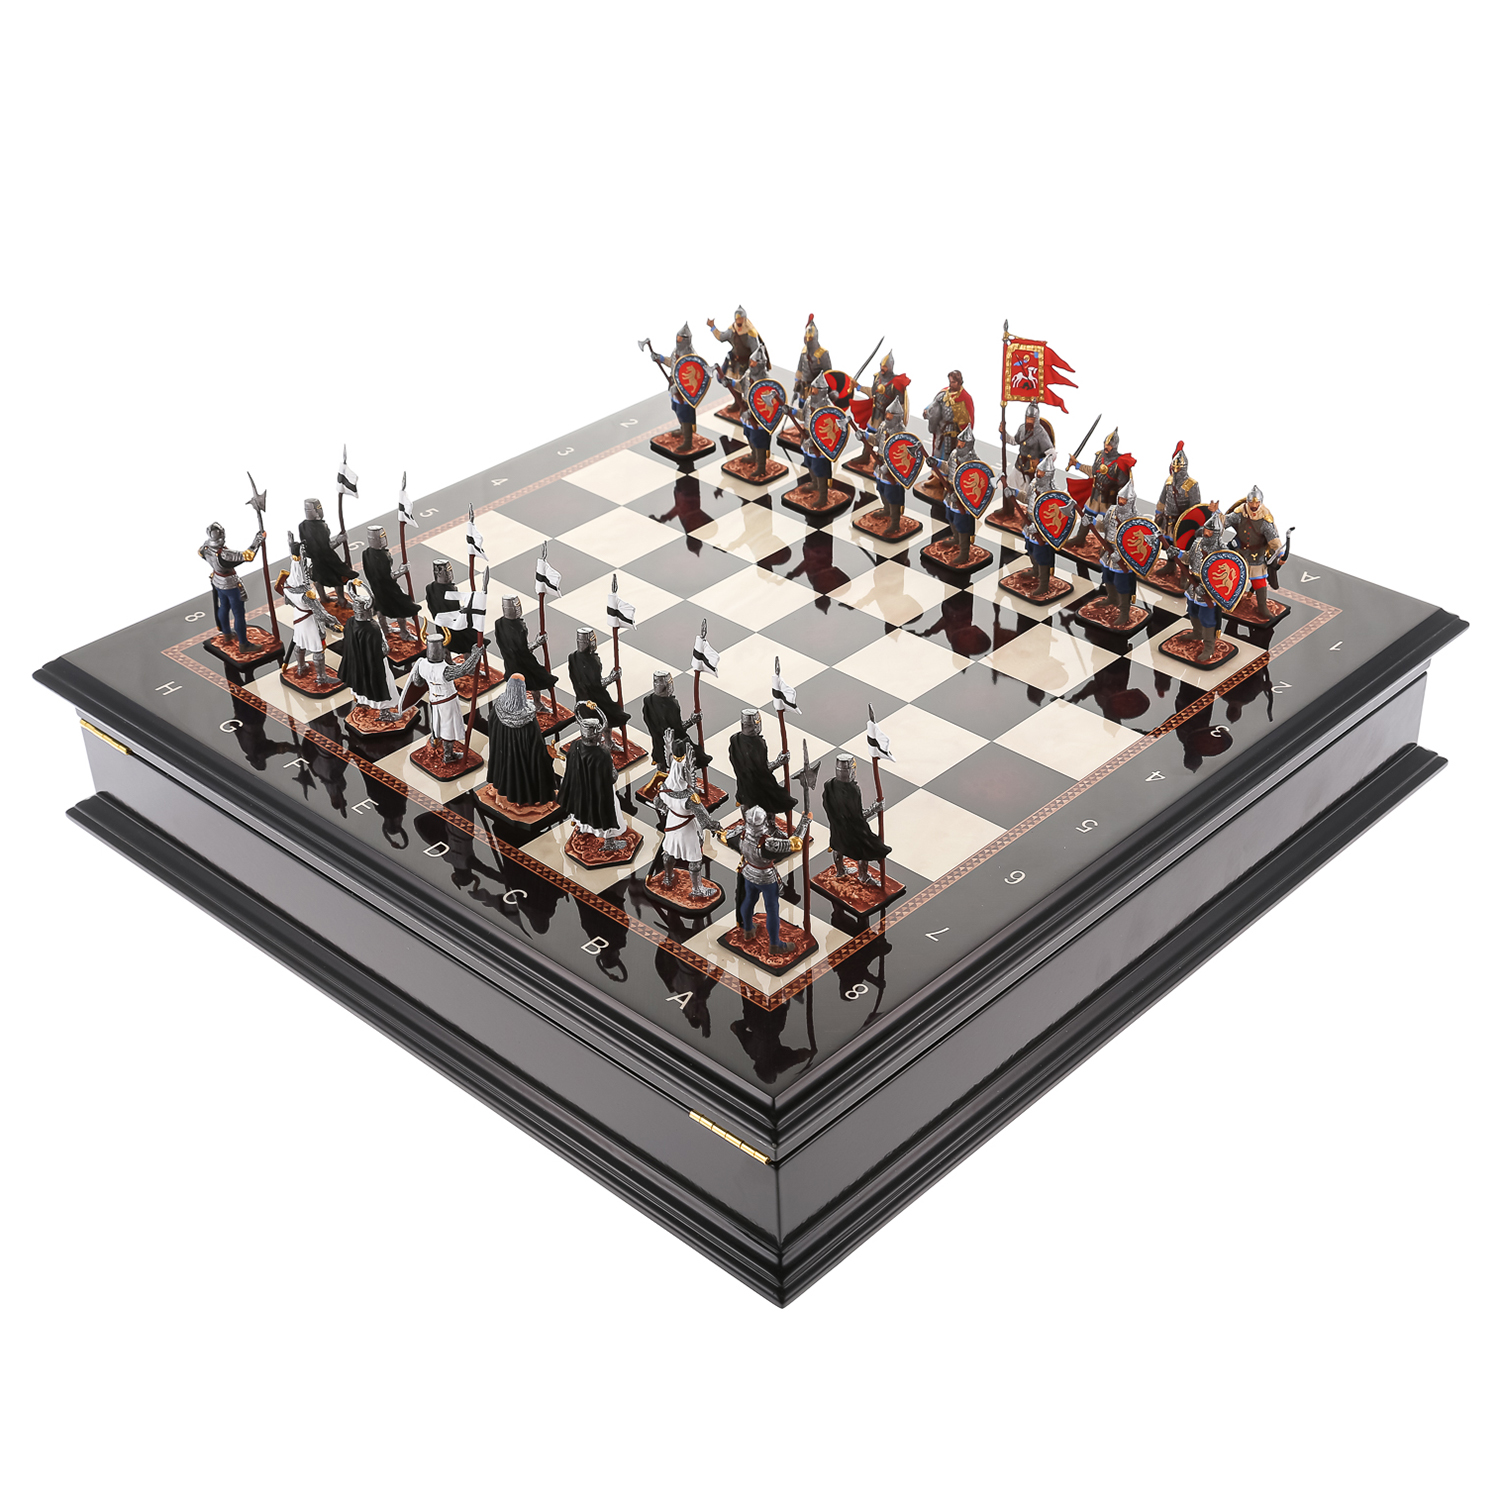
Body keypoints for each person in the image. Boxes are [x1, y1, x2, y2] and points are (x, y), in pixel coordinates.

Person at [651, 736, 722, 897]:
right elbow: (704, 819)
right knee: (695, 859)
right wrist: (716, 827)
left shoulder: (664, 787)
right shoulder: (690, 797)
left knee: (669, 851)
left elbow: (657, 802)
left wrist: (668, 808)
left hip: (672, 822)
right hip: (688, 827)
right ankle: (697, 889)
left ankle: (668, 878)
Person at [402, 628, 486, 763]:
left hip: (434, 699)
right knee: (448, 728)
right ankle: (448, 755)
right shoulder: (444, 670)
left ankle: (435, 741)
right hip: (447, 702)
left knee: (437, 723)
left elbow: (418, 683)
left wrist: (430, 680)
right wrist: (476, 654)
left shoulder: (421, 664)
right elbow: (464, 669)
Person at [735, 804, 809, 955]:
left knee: (749, 900)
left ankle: (748, 930)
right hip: (766, 878)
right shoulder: (767, 843)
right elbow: (795, 844)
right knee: (772, 909)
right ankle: (775, 944)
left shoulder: (742, 834)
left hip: (749, 872)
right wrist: (805, 821)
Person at [277, 534, 340, 686]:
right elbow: (321, 613)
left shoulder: (287, 587)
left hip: (299, 616)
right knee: (317, 648)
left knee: (299, 641)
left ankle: (301, 667)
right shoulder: (307, 594)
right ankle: (321, 677)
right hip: (309, 619)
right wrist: (334, 621)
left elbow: (289, 602)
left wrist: (295, 549)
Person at [485, 673, 557, 806]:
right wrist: (546, 753)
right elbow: (536, 747)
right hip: (522, 761)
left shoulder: (497, 709)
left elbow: (491, 727)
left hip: (503, 755)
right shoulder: (528, 718)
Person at [198, 518, 265, 653]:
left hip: (217, 580)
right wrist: (257, 540)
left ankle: (227, 634)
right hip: (230, 584)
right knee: (238, 614)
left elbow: (200, 553)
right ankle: (244, 644)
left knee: (224, 606)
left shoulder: (205, 548)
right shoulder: (224, 554)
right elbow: (248, 556)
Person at [821, 754, 888, 887]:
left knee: (837, 845)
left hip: (837, 826)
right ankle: (863, 876)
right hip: (851, 829)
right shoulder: (853, 790)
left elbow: (827, 805)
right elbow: (857, 816)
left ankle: (840, 870)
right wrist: (874, 809)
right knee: (865, 847)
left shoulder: (829, 784)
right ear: (851, 771)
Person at [729, 709, 797, 821]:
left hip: (743, 788)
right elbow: (762, 771)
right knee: (777, 798)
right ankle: (769, 825)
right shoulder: (758, 744)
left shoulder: (735, 739)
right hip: (756, 790)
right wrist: (778, 762)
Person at [360, 524, 421, 643]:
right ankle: (404, 633)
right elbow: (388, 577)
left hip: (376, 586)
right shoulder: (383, 556)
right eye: (381, 537)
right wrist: (402, 571)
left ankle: (385, 629)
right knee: (400, 607)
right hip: (388, 588)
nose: (384, 539)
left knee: (380, 607)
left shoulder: (366, 553)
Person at [1230, 486, 1282, 620]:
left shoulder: (1265, 519)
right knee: (1236, 579)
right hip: (1240, 553)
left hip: (1257, 555)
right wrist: (1215, 518)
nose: (1254, 506)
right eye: (1251, 503)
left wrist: (1280, 554)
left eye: (1256, 503)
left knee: (1259, 581)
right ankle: (1232, 601)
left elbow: (1273, 539)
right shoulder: (1240, 513)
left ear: (1260, 502)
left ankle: (1262, 607)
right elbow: (1225, 520)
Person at [298, 497, 358, 607]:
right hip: (326, 559)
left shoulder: (303, 526)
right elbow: (324, 548)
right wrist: (338, 541)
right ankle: (340, 600)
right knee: (338, 578)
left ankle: (324, 598)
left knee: (318, 578)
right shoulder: (319, 527)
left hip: (316, 558)